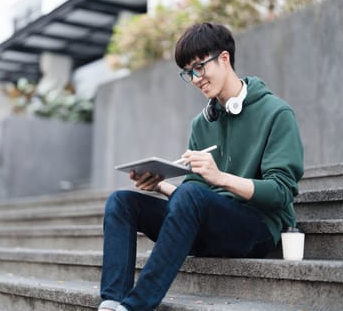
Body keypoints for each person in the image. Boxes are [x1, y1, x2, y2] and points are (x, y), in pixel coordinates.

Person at [98, 22, 304, 311]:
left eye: (199, 67)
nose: (195, 78)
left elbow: (281, 192)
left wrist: (220, 178)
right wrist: (161, 185)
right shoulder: (202, 123)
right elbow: (193, 191)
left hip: (256, 230)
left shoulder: (276, 113)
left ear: (224, 58)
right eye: (188, 72)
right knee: (121, 202)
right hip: (208, 225)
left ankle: (136, 307)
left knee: (191, 197)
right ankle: (111, 302)